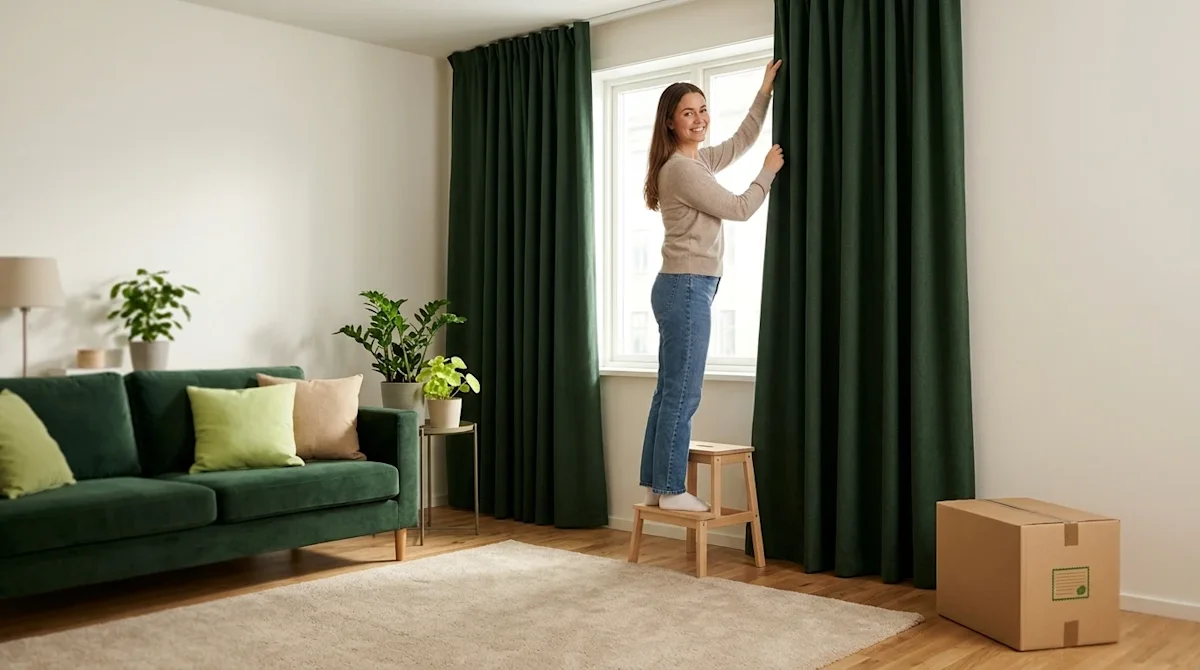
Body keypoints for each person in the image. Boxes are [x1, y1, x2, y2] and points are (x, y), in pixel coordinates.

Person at [638, 60, 785, 512]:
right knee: (683, 391)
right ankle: (670, 489)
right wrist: (769, 173)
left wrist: (764, 93)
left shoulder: (695, 160)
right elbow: (740, 207)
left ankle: (656, 483)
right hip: (686, 285)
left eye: (703, 109)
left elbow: (740, 139)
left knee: (670, 390)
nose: (699, 118)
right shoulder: (682, 171)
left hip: (685, 284)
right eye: (688, 112)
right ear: (670, 121)